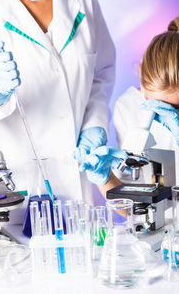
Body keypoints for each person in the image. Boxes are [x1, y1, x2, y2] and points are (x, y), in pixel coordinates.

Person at [0, 0, 126, 222]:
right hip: (15, 192)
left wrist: (94, 125)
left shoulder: (83, 0)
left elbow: (101, 75)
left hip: (81, 190)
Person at [76, 17, 179, 194]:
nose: (162, 113)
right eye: (155, 104)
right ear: (140, 74)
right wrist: (105, 177)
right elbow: (129, 208)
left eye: (175, 108)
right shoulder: (127, 106)